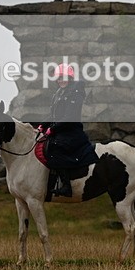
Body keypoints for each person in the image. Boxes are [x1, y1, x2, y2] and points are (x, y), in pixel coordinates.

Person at [39, 63, 90, 197]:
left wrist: (52, 129)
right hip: (61, 130)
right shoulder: (59, 93)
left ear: (70, 78)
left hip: (72, 130)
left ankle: (67, 186)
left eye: (63, 77)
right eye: (59, 78)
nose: (61, 80)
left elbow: (69, 117)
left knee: (55, 149)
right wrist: (42, 126)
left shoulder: (76, 93)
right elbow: (54, 115)